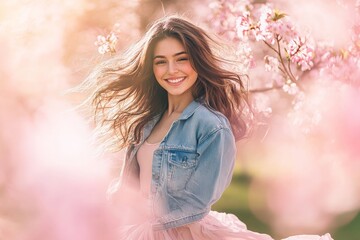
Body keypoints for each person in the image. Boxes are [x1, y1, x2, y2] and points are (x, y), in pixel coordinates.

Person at [84, 15, 334, 240]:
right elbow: (127, 187)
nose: (172, 70)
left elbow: (196, 202)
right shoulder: (146, 123)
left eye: (182, 59)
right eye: (161, 62)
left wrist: (148, 227)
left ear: (198, 61)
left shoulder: (212, 127)